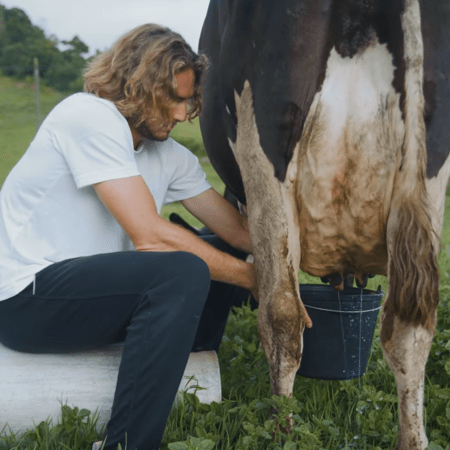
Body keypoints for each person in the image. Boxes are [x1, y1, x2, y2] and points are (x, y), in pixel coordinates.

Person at [0, 24, 258, 450]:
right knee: (181, 270)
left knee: (214, 250)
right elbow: (150, 237)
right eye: (174, 99)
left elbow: (238, 231)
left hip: (86, 299)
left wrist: (303, 256)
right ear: (139, 84)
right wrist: (253, 279)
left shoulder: (170, 155)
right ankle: (126, 443)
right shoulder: (88, 116)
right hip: (24, 298)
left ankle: (191, 365)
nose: (181, 114)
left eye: (188, 99)